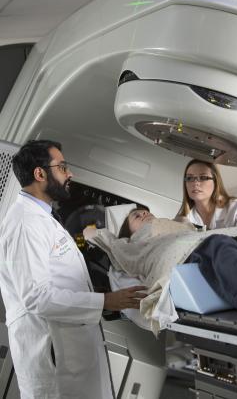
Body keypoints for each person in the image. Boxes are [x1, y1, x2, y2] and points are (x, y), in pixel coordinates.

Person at [0, 140, 147, 399]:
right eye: (63, 167)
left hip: (68, 356)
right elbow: (37, 297)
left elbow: (56, 281)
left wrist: (99, 293)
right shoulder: (26, 223)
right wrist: (105, 301)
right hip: (54, 361)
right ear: (40, 173)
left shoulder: (43, 218)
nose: (70, 174)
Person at [84, 208, 237, 328]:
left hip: (194, 240)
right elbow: (101, 237)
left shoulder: (176, 225)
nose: (144, 214)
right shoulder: (128, 245)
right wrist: (93, 232)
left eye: (146, 211)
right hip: (180, 253)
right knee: (217, 244)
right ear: (128, 231)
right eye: (136, 216)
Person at [176, 159, 237, 229]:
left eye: (203, 177)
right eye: (189, 178)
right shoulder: (183, 219)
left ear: (216, 182)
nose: (195, 183)